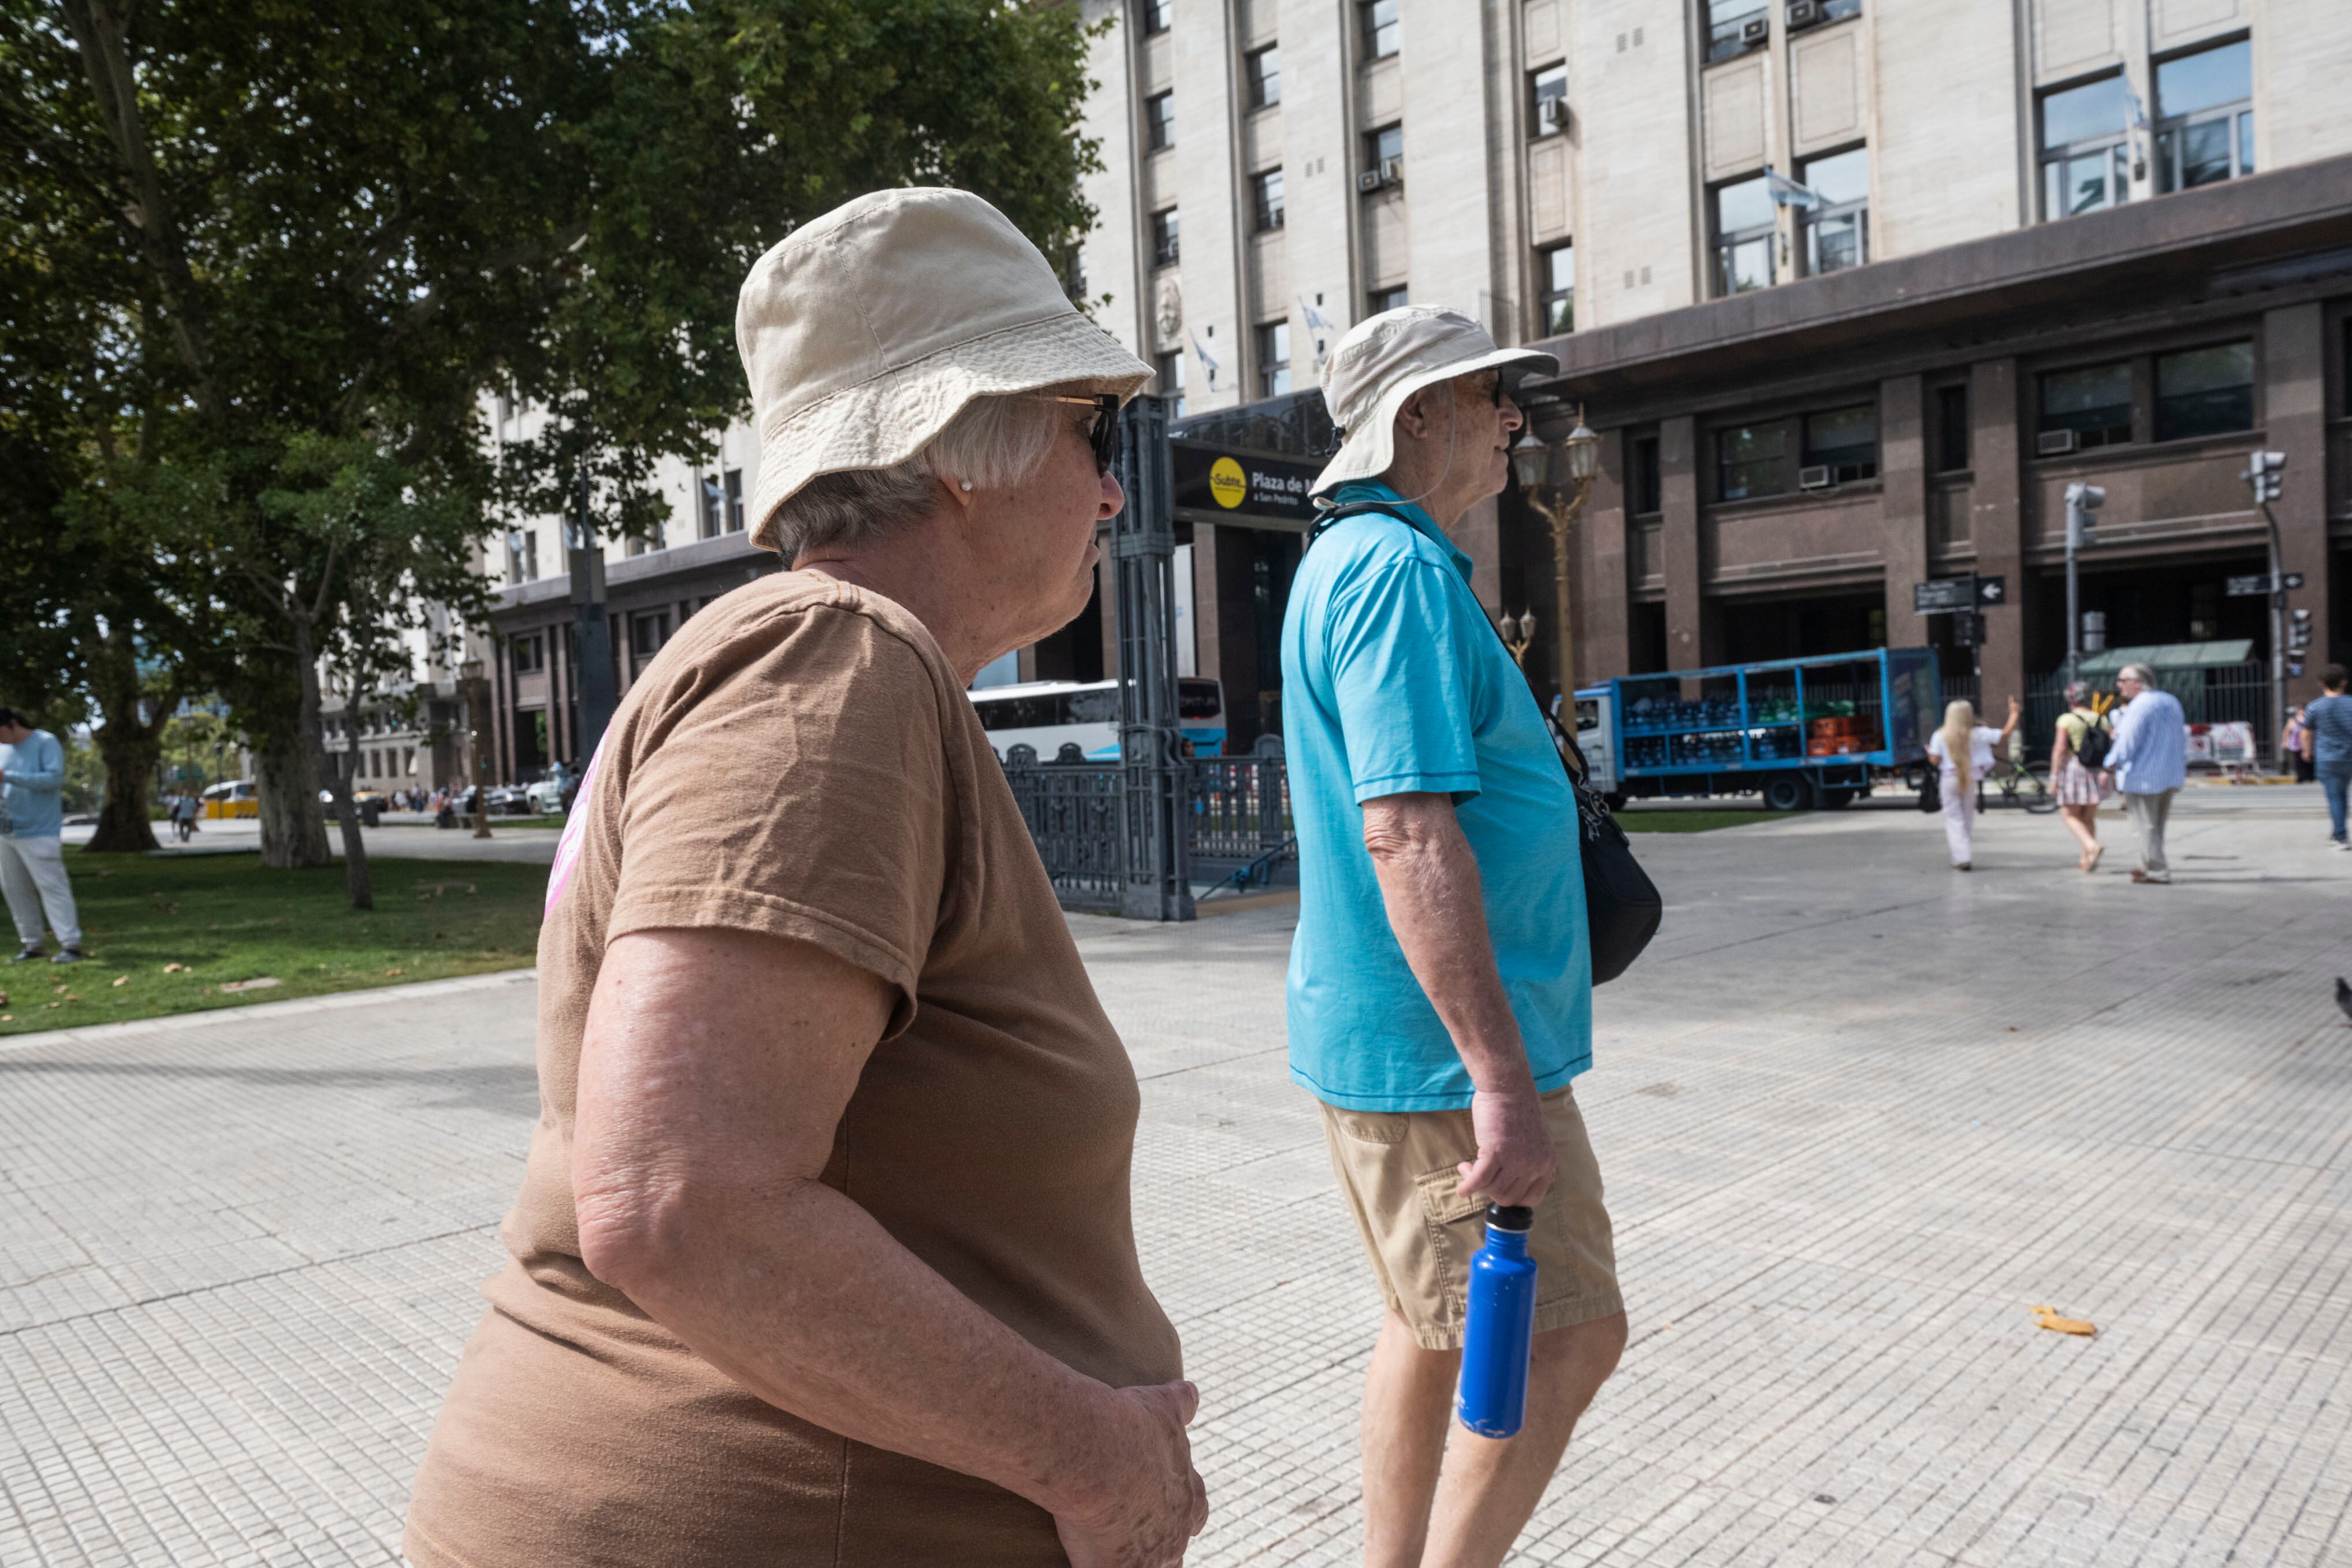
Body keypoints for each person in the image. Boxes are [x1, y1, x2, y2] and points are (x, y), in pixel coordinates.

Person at [405, 188, 1205, 1568]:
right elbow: (682, 1202)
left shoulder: (810, 660)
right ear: (964, 450)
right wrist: (1096, 1460)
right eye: (1095, 430)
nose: (1114, 484)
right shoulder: (830, 654)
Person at [1280, 305, 1627, 1568]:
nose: (1512, 421)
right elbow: (1407, 834)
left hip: (1403, 1041)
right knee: (1567, 1332)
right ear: (1411, 417)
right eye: (1487, 396)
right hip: (1441, 1058)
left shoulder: (1363, 560)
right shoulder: (1394, 572)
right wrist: (1497, 1077)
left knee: (1424, 1323)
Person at [0, 707, 84, 964]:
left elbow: (52, 780)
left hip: (38, 831)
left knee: (53, 887)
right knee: (14, 889)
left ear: (13, 724)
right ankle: (33, 944)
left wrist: (8, 777)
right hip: (6, 831)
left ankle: (71, 945)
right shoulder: (2, 749)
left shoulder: (46, 742)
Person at [2098, 662, 2187, 884]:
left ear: (2137, 683)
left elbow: (2126, 743)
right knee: (2156, 826)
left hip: (2143, 776)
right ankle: (2146, 865)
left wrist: (2109, 765)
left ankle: (2158, 871)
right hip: (2169, 774)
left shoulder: (2140, 706)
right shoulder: (2170, 701)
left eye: (2122, 681)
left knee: (2144, 827)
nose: (2119, 686)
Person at [1925, 696, 2021, 871]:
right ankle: (1962, 854)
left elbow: (1934, 760)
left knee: (1953, 818)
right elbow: (2005, 734)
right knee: (1967, 816)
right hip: (1970, 779)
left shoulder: (1940, 735)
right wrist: (2014, 713)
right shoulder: (1978, 733)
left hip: (1949, 779)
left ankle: (1962, 857)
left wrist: (1929, 752)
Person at [2048, 681, 2111, 873]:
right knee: (2088, 817)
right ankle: (2086, 859)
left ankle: (2092, 846)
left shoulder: (2066, 719)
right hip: (2096, 770)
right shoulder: (2102, 719)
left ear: (2071, 700)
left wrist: (2053, 777)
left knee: (2069, 814)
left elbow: (2059, 749)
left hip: (2073, 769)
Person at [2309, 664, 2352, 850]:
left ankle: (2340, 836)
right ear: (2344, 682)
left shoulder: (2314, 707)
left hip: (2327, 758)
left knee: (2335, 797)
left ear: (2322, 683)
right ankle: (2338, 832)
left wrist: (2306, 751)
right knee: (2343, 795)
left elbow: (2306, 732)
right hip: (2350, 755)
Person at [2282, 703, 2314, 784]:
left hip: (2307, 743)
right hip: (2297, 744)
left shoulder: (2308, 720)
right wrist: (2285, 741)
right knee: (2299, 761)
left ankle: (2310, 776)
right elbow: (2287, 731)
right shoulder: (2293, 721)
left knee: (2308, 761)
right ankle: (2301, 777)